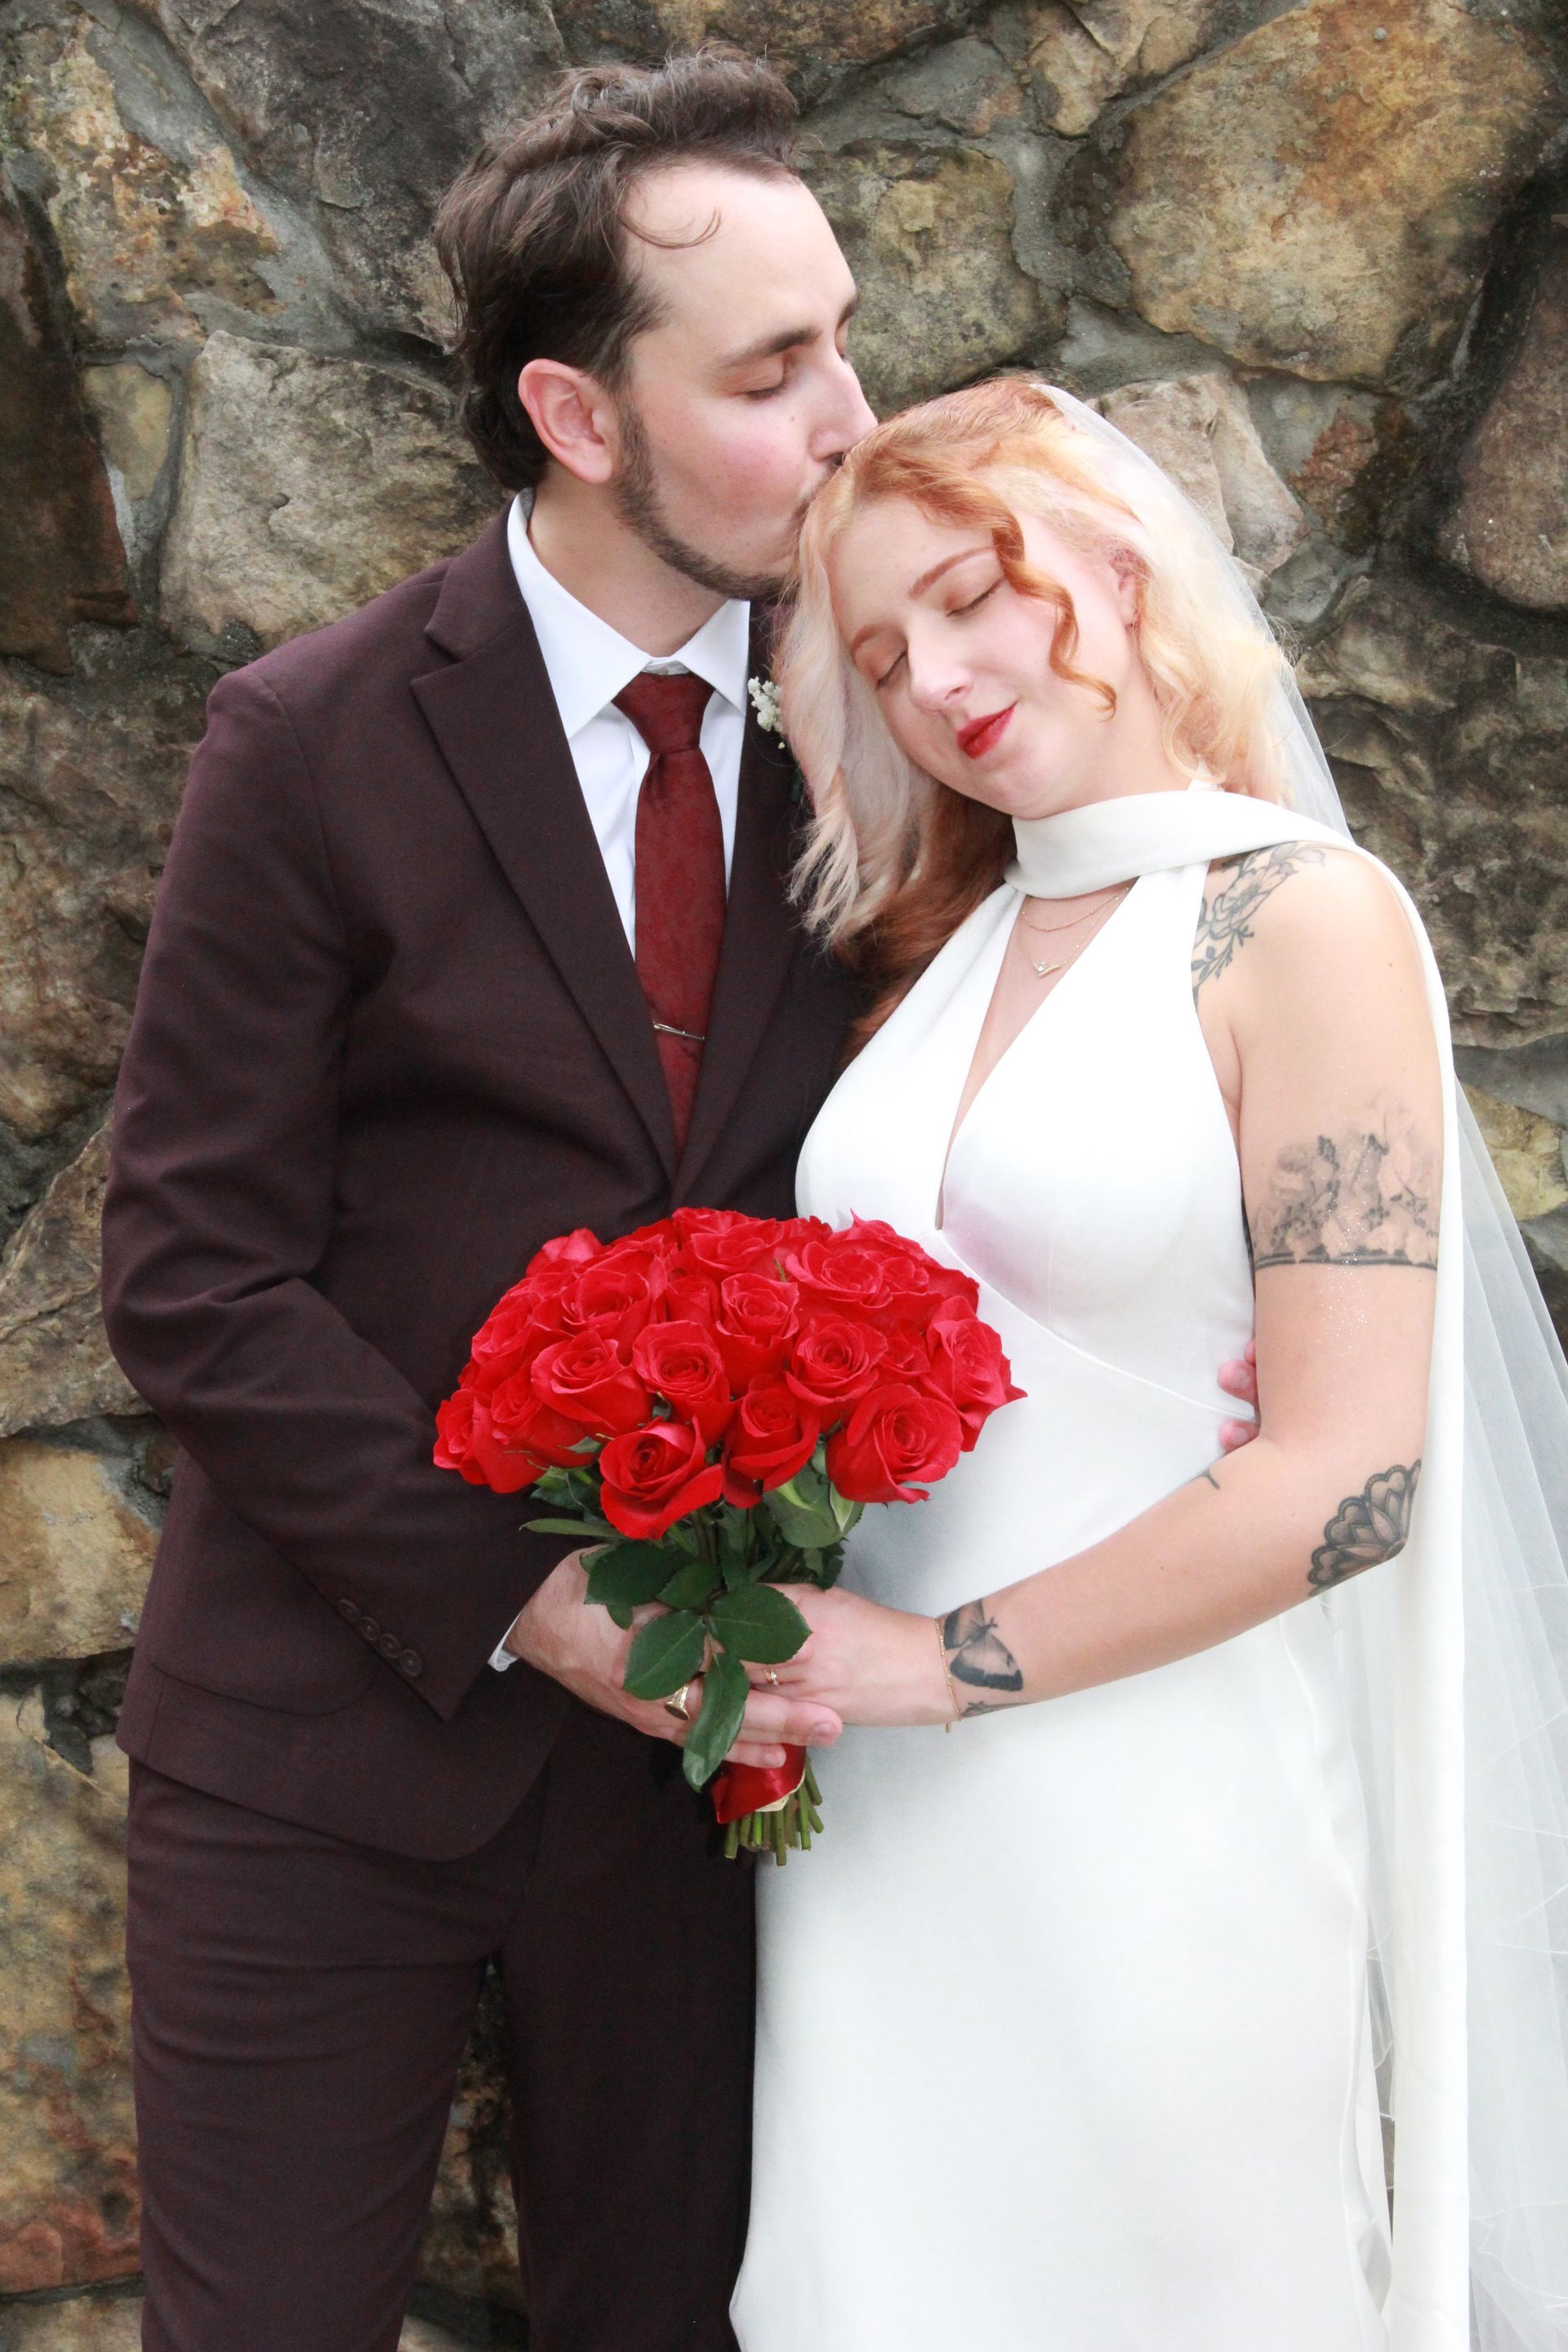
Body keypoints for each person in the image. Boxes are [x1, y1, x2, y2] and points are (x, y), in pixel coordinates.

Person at [730, 379, 1568, 2350]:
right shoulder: (944, 958)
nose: (935, 679)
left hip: (1158, 1803)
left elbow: (1351, 1475)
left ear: (1119, 566)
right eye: (880, 653)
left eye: (970, 598)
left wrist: (933, 1667)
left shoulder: (1302, 921)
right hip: (876, 1838)